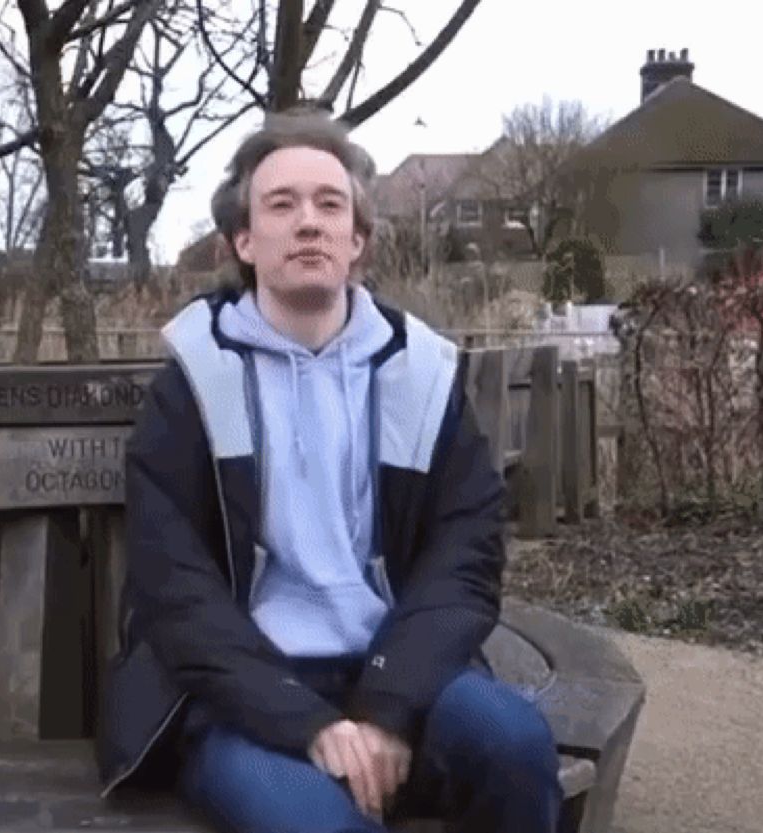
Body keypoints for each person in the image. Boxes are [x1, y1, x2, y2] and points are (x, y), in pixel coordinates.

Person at [98, 109, 563, 833]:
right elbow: (173, 588)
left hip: (398, 667)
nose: (308, 222)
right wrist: (308, 721)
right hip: (240, 696)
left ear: (358, 241)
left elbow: (465, 555)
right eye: (281, 205)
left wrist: (386, 705)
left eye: (329, 203)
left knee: (516, 747)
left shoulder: (423, 375)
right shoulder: (192, 382)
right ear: (244, 241)